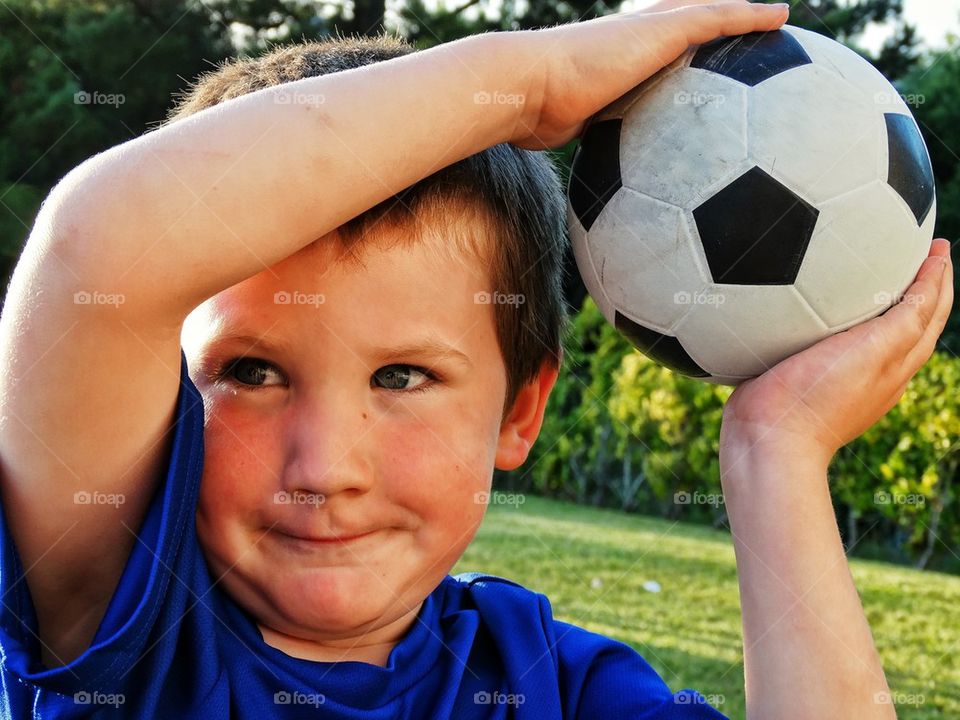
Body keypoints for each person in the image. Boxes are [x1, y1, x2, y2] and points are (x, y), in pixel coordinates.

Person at [0, 1, 951, 717]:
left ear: (519, 413)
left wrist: (772, 453)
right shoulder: (125, 622)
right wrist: (526, 86)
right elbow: (101, 249)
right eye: (250, 373)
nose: (325, 467)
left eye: (402, 376)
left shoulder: (554, 684)